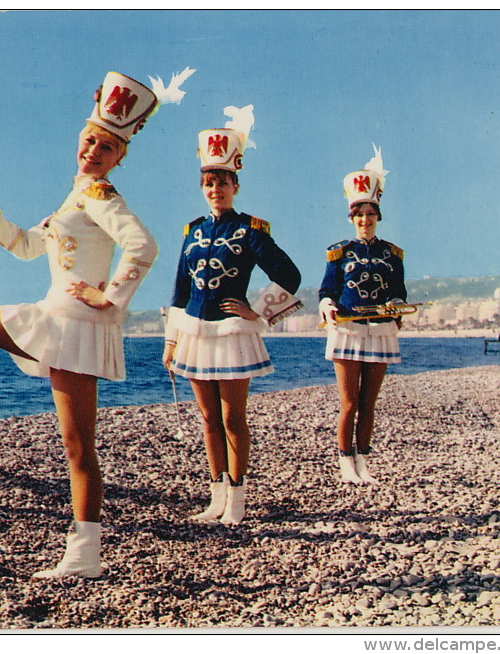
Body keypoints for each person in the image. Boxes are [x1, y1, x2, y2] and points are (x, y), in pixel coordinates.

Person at [0, 70, 194, 577]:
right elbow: (28, 246)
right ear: (80, 141)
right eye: (89, 141)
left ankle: (83, 554)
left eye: (106, 147)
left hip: (75, 324)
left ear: (120, 156)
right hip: (58, 320)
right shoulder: (75, 198)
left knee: (78, 447)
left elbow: (144, 246)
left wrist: (108, 296)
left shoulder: (100, 196)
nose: (93, 151)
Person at [162, 106, 301, 525]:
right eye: (208, 183)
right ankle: (216, 497)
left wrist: (256, 311)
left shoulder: (251, 230)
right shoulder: (192, 231)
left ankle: (237, 500)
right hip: (195, 332)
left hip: (232, 333)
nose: (215, 189)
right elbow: (180, 290)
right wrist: (171, 341)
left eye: (221, 182)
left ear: (235, 184)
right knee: (207, 418)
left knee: (231, 417)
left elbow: (290, 276)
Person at [318, 145, 406, 485]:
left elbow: (399, 291)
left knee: (369, 404)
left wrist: (396, 306)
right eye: (359, 215)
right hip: (348, 331)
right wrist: (328, 308)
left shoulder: (392, 254)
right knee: (350, 404)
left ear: (377, 217)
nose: (365, 221)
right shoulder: (339, 252)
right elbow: (327, 291)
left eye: (370, 215)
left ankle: (364, 461)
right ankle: (344, 462)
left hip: (381, 330)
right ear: (352, 219)